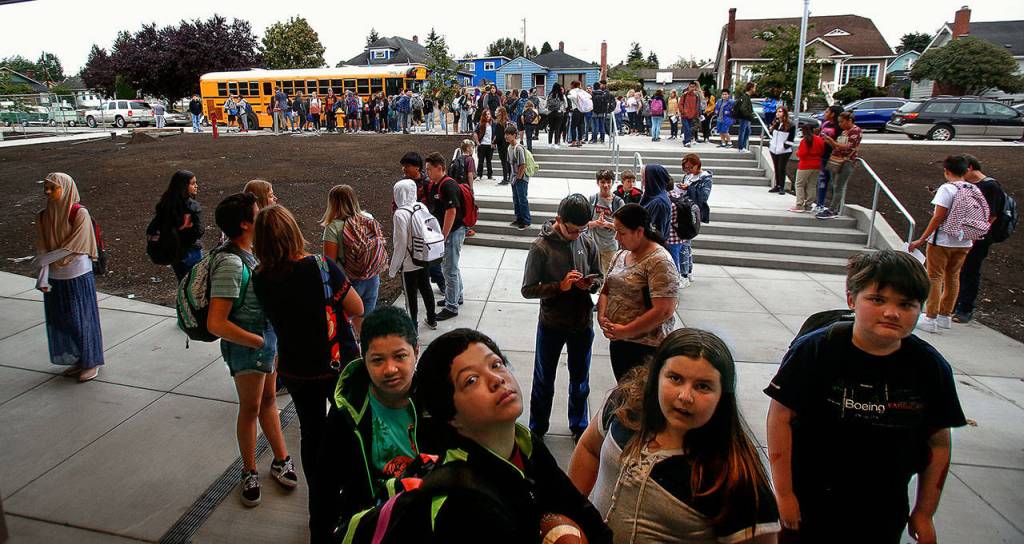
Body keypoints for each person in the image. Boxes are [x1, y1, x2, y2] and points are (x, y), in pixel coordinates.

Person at [765, 249, 966, 543]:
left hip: (883, 507)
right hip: (811, 499)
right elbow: (780, 417)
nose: (892, 312)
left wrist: (924, 511)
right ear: (851, 300)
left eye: (906, 304)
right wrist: (784, 493)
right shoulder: (816, 350)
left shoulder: (929, 367)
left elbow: (938, 441)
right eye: (878, 299)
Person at [379, 328, 613, 543]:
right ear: (450, 415)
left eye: (496, 364)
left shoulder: (524, 443)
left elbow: (574, 505)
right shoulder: (462, 505)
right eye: (471, 380)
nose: (496, 379)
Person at [569, 328, 781, 544]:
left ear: (723, 396)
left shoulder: (735, 479)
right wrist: (570, 516)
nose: (685, 396)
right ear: (655, 377)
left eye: (702, 386)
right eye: (675, 378)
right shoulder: (624, 407)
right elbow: (589, 448)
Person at [251, 204, 361, 519]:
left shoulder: (260, 277)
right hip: (336, 363)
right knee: (350, 427)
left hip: (296, 369)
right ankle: (351, 497)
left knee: (311, 431)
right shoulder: (321, 267)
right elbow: (355, 306)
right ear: (294, 232)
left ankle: (320, 501)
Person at [310, 307, 439, 544]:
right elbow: (324, 487)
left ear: (416, 352)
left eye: (400, 356)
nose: (390, 369)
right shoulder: (347, 412)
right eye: (378, 360)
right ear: (363, 357)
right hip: (370, 524)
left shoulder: (437, 404)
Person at [206, 193, 295, 507]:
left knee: (268, 401)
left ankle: (281, 459)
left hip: (264, 344)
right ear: (244, 224)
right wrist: (258, 342)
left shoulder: (251, 253)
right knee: (249, 410)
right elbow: (216, 322)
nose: (264, 216)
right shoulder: (231, 263)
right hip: (248, 349)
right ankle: (249, 470)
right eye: (258, 213)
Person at [522, 194, 603, 443]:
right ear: (559, 220)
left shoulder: (588, 243)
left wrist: (590, 284)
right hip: (552, 324)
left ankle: (579, 424)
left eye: (582, 229)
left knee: (580, 380)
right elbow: (527, 289)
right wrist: (560, 286)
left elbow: (599, 276)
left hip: (581, 323)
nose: (577, 234)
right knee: (544, 379)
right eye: (572, 230)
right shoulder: (541, 247)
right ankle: (537, 427)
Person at [34, 173, 103, 383]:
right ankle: (79, 358)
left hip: (77, 273)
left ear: (65, 188)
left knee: (81, 318)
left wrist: (47, 258)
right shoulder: (44, 216)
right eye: (46, 187)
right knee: (61, 319)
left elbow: (77, 245)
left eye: (52, 188)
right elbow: (42, 246)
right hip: (55, 275)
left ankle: (91, 361)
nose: (47, 191)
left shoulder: (79, 213)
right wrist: (43, 274)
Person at [908, 155, 989, 333]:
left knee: (935, 277)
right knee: (953, 276)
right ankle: (945, 315)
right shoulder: (973, 189)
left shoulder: (947, 189)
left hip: (943, 240)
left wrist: (922, 239)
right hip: (964, 240)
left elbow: (938, 216)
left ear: (947, 171)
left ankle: (930, 317)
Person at [599, 204, 680, 381]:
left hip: (646, 347)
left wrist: (627, 330)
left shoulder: (659, 261)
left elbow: (664, 310)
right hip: (619, 341)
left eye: (621, 233)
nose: (617, 238)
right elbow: (606, 289)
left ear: (639, 231)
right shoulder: (620, 255)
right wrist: (602, 316)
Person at [321, 185, 382, 333]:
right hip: (372, 277)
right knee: (364, 325)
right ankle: (364, 351)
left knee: (342, 324)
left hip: (348, 282)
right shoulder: (368, 218)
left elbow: (329, 262)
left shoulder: (333, 227)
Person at [954, 155, 1006, 323]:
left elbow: (992, 215)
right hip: (963, 236)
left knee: (970, 270)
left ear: (969, 167)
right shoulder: (970, 185)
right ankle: (953, 303)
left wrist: (976, 236)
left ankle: (965, 308)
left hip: (978, 238)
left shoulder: (990, 186)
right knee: (957, 270)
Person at [390, 178, 437, 329]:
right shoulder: (420, 206)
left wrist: (394, 267)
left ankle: (413, 328)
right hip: (423, 256)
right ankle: (432, 319)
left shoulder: (399, 214)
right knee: (426, 287)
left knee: (411, 295)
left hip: (409, 261)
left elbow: (400, 243)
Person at [426, 152, 467, 321]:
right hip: (452, 231)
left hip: (453, 232)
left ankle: (452, 306)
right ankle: (457, 296)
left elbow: (451, 211)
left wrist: (443, 235)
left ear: (440, 168)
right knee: (452, 267)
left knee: (449, 270)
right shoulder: (437, 184)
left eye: (429, 169)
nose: (427, 172)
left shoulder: (448, 185)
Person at [148, 170, 203, 281]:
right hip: (191, 250)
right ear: (184, 186)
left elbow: (153, 227)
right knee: (197, 283)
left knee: (182, 282)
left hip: (174, 252)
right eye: (192, 183)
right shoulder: (192, 206)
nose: (196, 186)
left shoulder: (165, 205)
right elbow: (199, 230)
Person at [669, 154, 713, 289]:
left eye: (690, 167)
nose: (688, 170)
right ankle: (688, 271)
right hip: (684, 210)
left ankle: (685, 273)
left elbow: (704, 196)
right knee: (686, 243)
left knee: (684, 243)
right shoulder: (688, 176)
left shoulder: (705, 178)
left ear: (697, 165)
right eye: (686, 168)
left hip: (693, 213)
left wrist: (688, 188)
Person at [816, 111, 862, 219]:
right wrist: (829, 141)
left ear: (849, 120)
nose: (840, 124)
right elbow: (837, 146)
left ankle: (832, 210)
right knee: (835, 184)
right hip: (837, 159)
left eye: (842, 122)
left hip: (846, 161)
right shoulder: (845, 132)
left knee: (839, 186)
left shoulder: (856, 131)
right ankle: (833, 208)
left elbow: (846, 147)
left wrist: (832, 141)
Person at [590, 170, 625, 275]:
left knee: (609, 277)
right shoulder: (592, 199)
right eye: (603, 182)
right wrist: (596, 223)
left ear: (613, 183)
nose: (606, 185)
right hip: (593, 246)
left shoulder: (618, 202)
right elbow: (584, 224)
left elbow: (624, 227)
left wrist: (607, 224)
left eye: (609, 182)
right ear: (598, 183)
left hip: (610, 247)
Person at [813, 105, 843, 213]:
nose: (824, 113)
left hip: (834, 157)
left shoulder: (839, 127)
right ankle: (820, 204)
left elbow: (840, 143)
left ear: (833, 114)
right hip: (824, 155)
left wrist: (829, 140)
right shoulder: (825, 124)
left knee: (833, 183)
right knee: (822, 180)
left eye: (827, 111)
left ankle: (834, 207)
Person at [791, 124, 825, 212]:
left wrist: (797, 153)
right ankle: (809, 205)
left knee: (799, 184)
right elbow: (822, 151)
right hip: (817, 164)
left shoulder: (805, 140)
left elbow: (802, 153)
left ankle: (799, 204)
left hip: (805, 164)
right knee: (812, 185)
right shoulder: (819, 139)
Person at [639, 164, 673, 241]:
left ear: (651, 179)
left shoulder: (659, 203)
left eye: (644, 177)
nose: (642, 181)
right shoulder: (651, 196)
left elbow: (657, 232)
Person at [507, 126, 531, 229]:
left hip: (521, 178)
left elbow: (522, 165)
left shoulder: (519, 148)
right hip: (514, 177)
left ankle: (526, 221)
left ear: (514, 136)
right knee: (516, 199)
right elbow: (510, 163)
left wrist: (518, 177)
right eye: (506, 134)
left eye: (508, 134)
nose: (506, 136)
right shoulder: (509, 148)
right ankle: (518, 218)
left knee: (522, 200)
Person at [768, 107, 796, 194]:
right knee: (776, 167)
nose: (778, 113)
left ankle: (782, 186)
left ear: (784, 113)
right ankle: (777, 185)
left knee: (781, 168)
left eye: (780, 112)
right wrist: (771, 129)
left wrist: (785, 146)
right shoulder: (776, 123)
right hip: (774, 148)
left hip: (784, 150)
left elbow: (791, 138)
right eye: (777, 112)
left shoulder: (790, 124)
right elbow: (772, 133)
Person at [474, 108, 498, 180]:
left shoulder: (493, 124)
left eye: (488, 114)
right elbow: (475, 133)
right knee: (481, 160)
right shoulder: (480, 124)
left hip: (489, 145)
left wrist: (493, 142)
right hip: (482, 145)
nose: (487, 116)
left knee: (489, 161)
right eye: (486, 114)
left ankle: (490, 175)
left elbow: (496, 134)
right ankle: (479, 175)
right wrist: (478, 142)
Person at [733, 82, 756, 152]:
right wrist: (749, 115)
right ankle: (741, 147)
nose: (755, 89)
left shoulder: (746, 96)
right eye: (754, 87)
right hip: (744, 118)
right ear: (751, 88)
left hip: (745, 118)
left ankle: (743, 146)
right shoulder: (746, 97)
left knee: (748, 131)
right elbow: (743, 108)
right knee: (743, 131)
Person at [495, 107, 515, 184]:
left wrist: (493, 143)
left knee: (504, 162)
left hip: (502, 145)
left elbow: (498, 136)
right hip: (508, 144)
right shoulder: (507, 122)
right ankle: (510, 177)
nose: (496, 112)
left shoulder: (499, 124)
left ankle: (505, 179)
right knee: (508, 162)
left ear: (500, 113)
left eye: (497, 111)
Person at [567, 81, 590, 148]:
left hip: (576, 110)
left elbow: (573, 97)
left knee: (573, 126)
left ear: (573, 85)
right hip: (582, 110)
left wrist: (569, 96)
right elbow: (589, 96)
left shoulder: (573, 91)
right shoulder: (582, 91)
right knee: (580, 126)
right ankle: (579, 141)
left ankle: (573, 142)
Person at [679, 82, 701, 147]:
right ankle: (687, 141)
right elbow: (680, 104)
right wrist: (683, 112)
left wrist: (697, 114)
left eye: (693, 87)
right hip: (685, 115)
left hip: (692, 115)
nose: (692, 88)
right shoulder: (684, 95)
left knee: (689, 129)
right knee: (687, 128)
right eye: (690, 86)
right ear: (688, 87)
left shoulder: (696, 96)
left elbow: (697, 106)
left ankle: (686, 140)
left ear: (695, 87)